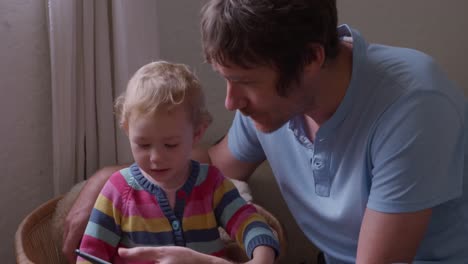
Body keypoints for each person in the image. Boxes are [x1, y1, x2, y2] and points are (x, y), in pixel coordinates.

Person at [64, 0, 468, 263]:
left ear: (311, 58)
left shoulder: (414, 106)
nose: (230, 102)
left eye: (246, 82)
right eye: (225, 80)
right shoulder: (273, 107)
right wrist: (106, 178)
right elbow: (214, 165)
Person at [75, 61, 279, 264]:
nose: (155, 157)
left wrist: (262, 255)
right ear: (127, 130)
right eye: (143, 144)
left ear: (197, 133)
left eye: (171, 145)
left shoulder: (212, 183)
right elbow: (89, 254)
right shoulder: (118, 190)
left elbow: (250, 223)